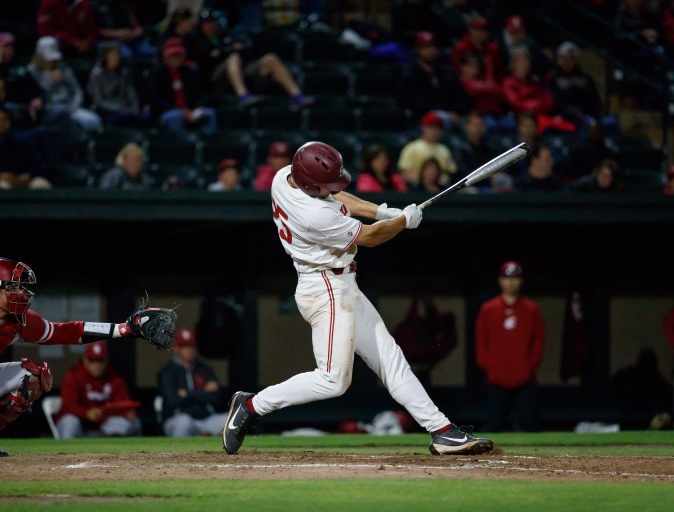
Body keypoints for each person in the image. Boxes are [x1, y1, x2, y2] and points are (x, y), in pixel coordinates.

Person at [221, 141, 494, 456]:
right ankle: (252, 405)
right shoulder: (313, 215)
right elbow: (371, 237)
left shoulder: (285, 176)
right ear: (310, 184)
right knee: (333, 381)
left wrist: (380, 210)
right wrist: (403, 222)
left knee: (391, 361)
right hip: (327, 289)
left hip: (341, 284)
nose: (331, 189)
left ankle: (442, 430)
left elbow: (336, 196)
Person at [0, 256, 147, 459]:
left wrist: (123, 329)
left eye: (20, 287)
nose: (20, 292)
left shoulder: (16, 320)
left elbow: (64, 331)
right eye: (12, 287)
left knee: (35, 375)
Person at [188, 8, 311, 107]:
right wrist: (226, 52)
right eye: (206, 22)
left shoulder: (225, 35)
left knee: (270, 59)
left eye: (211, 21)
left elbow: (245, 49)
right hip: (216, 78)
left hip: (241, 71)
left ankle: (297, 95)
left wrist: (228, 50)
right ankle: (243, 96)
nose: (210, 25)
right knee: (233, 58)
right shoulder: (197, 40)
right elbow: (204, 60)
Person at [475, 260, 544, 432]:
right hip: (496, 378)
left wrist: (530, 366)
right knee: (495, 425)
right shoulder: (488, 309)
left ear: (521, 281)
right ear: (500, 280)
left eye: (515, 278)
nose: (511, 282)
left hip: (524, 377)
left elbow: (538, 341)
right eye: (507, 278)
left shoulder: (530, 308)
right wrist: (488, 366)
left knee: (531, 425)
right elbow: (480, 340)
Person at [55, 340, 142, 439]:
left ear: (107, 360)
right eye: (92, 360)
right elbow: (68, 405)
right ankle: (67, 453)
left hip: (104, 425)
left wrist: (127, 411)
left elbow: (123, 402)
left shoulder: (113, 377)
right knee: (69, 422)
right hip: (79, 422)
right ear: (84, 360)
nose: (96, 365)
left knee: (130, 422)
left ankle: (112, 452)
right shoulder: (73, 375)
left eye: (100, 360)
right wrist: (86, 413)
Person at [156, 327, 227, 437]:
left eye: (191, 346)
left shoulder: (204, 369)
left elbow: (216, 397)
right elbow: (172, 401)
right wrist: (202, 393)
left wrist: (188, 393)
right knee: (183, 423)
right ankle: (182, 454)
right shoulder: (167, 372)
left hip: (206, 419)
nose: (188, 350)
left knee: (229, 420)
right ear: (176, 348)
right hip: (178, 418)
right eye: (184, 346)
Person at [28, 36, 103, 133]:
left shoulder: (64, 68)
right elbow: (38, 95)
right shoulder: (33, 71)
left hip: (70, 108)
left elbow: (77, 90)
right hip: (49, 109)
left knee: (93, 121)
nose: (52, 61)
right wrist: (50, 81)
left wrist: (73, 107)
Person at [145, 37, 217, 135]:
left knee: (210, 113)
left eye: (178, 55)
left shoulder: (190, 72)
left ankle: (208, 145)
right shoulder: (157, 74)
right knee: (175, 117)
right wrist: (181, 111)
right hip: (168, 111)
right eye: (173, 55)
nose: (176, 58)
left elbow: (202, 94)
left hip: (191, 110)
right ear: (165, 57)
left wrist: (195, 109)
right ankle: (181, 146)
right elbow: (155, 100)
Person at [0, 106, 50, 189]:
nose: (1, 124)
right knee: (2, 186)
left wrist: (28, 175)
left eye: (5, 120)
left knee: (41, 185)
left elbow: (37, 161)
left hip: (24, 180)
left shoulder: (22, 141)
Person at [396, 31, 471, 121]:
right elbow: (413, 102)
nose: (431, 51)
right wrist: (445, 111)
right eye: (426, 47)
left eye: (433, 46)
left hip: (451, 116)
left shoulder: (446, 72)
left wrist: (456, 110)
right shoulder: (409, 74)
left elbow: (461, 96)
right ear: (417, 50)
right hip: (422, 118)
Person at [87, 42, 148, 127]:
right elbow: (98, 100)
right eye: (112, 55)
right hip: (106, 111)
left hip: (125, 109)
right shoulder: (96, 75)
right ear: (104, 57)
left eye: (117, 55)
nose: (116, 58)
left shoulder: (124, 73)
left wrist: (134, 109)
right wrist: (118, 108)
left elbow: (131, 94)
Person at [397, 110, 458, 188]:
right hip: (418, 190)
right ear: (423, 128)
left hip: (441, 190)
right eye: (431, 127)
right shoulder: (412, 148)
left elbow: (451, 172)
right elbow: (404, 172)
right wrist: (425, 185)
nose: (435, 131)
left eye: (438, 128)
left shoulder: (444, 150)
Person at [502, 47, 555, 116]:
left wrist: (537, 105)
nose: (525, 64)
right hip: (521, 118)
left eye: (527, 61)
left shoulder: (534, 81)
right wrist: (538, 104)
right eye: (521, 61)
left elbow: (549, 101)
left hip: (541, 115)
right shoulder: (508, 82)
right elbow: (516, 103)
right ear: (513, 64)